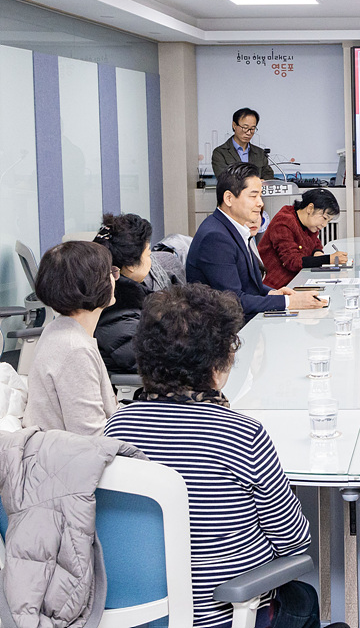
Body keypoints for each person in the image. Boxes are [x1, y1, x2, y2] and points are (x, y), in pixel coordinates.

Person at [104, 284, 317, 628]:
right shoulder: (243, 436)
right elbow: (293, 540)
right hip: (229, 614)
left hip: (147, 615)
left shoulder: (116, 428)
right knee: (304, 599)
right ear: (220, 361)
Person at [187, 162, 325, 321]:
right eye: (253, 196)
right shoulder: (215, 238)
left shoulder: (231, 228)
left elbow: (247, 286)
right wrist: (288, 302)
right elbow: (233, 301)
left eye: (260, 195)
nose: (260, 203)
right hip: (224, 330)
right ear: (229, 198)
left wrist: (272, 293)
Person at [22, 241, 118, 435]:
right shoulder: (76, 350)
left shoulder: (58, 328)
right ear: (93, 284)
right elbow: (91, 437)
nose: (116, 278)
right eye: (111, 272)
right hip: (69, 460)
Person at [93, 213, 153, 374]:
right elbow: (151, 363)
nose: (150, 260)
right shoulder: (118, 313)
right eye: (148, 254)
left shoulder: (111, 295)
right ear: (131, 266)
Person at [258, 188, 349, 289]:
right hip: (273, 288)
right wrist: (328, 259)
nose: (324, 224)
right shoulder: (283, 222)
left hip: (296, 282)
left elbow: (316, 244)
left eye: (328, 221)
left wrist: (317, 253)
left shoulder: (308, 224)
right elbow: (293, 262)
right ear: (310, 208)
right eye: (324, 218)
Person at [211, 107, 275, 180]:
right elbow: (224, 179)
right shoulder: (220, 153)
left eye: (252, 129)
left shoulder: (260, 153)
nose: (248, 133)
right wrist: (253, 183)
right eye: (245, 127)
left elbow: (268, 176)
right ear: (234, 125)